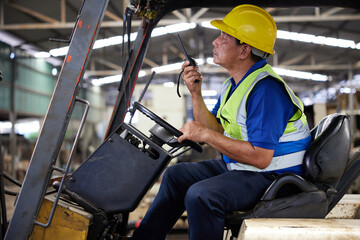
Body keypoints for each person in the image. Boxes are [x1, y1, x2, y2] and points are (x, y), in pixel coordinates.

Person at [131, 4, 311, 240]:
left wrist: (204, 135)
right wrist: (195, 93)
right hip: (244, 168)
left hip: (274, 177)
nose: (215, 42)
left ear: (244, 50)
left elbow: (260, 157)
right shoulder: (234, 84)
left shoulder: (266, 90)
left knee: (201, 195)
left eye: (224, 38)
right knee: (176, 176)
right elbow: (214, 127)